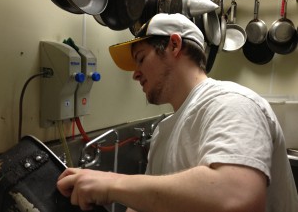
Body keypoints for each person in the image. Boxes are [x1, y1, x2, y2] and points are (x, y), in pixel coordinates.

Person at [57, 13, 298, 212]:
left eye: (141, 59)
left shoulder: (231, 102)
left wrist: (113, 184)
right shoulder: (164, 132)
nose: (135, 73)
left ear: (174, 45)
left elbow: (237, 197)